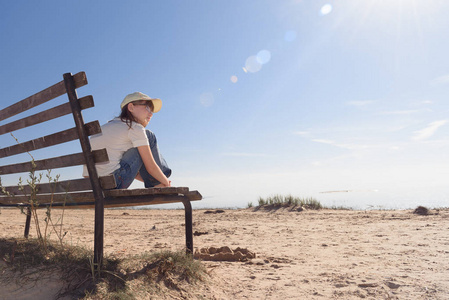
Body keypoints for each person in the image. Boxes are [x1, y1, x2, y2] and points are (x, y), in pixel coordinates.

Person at [83, 92, 171, 189]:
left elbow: (130, 169)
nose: (151, 113)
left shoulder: (101, 129)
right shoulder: (135, 128)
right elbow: (150, 167)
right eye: (147, 108)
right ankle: (158, 181)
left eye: (152, 111)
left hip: (93, 186)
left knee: (140, 144)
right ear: (131, 107)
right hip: (114, 184)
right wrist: (166, 182)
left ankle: (157, 181)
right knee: (148, 136)